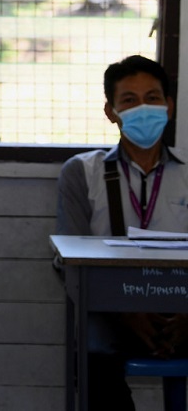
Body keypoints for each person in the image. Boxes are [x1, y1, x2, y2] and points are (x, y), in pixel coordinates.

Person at [56, 54, 188, 410]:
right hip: (110, 309)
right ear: (111, 111)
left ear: (169, 106)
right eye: (129, 100)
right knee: (93, 349)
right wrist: (124, 310)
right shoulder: (82, 172)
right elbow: (70, 261)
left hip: (183, 303)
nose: (143, 108)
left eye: (153, 98)